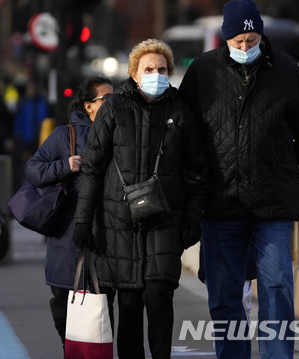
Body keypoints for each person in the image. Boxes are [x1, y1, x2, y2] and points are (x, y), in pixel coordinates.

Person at [178, 0, 299, 359]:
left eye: (252, 39)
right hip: (220, 202)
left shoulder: (285, 70)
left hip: (272, 199)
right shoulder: (203, 71)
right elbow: (184, 137)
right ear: (225, 39)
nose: (246, 47)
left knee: (276, 285)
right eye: (238, 41)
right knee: (225, 294)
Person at [73, 39, 208, 359]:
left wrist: (192, 217)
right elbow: (92, 168)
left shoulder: (181, 111)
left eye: (162, 69)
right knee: (129, 304)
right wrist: (83, 220)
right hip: (118, 222)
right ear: (134, 73)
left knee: (159, 296)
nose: (156, 74)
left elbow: (197, 172)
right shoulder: (114, 109)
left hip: (166, 219)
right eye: (149, 69)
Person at [24, 76, 114, 347]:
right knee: (64, 304)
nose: (113, 104)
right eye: (106, 99)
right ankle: (71, 348)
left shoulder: (121, 132)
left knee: (104, 306)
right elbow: (32, 169)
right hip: (68, 237)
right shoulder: (66, 135)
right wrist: (65, 165)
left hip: (108, 237)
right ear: (89, 106)